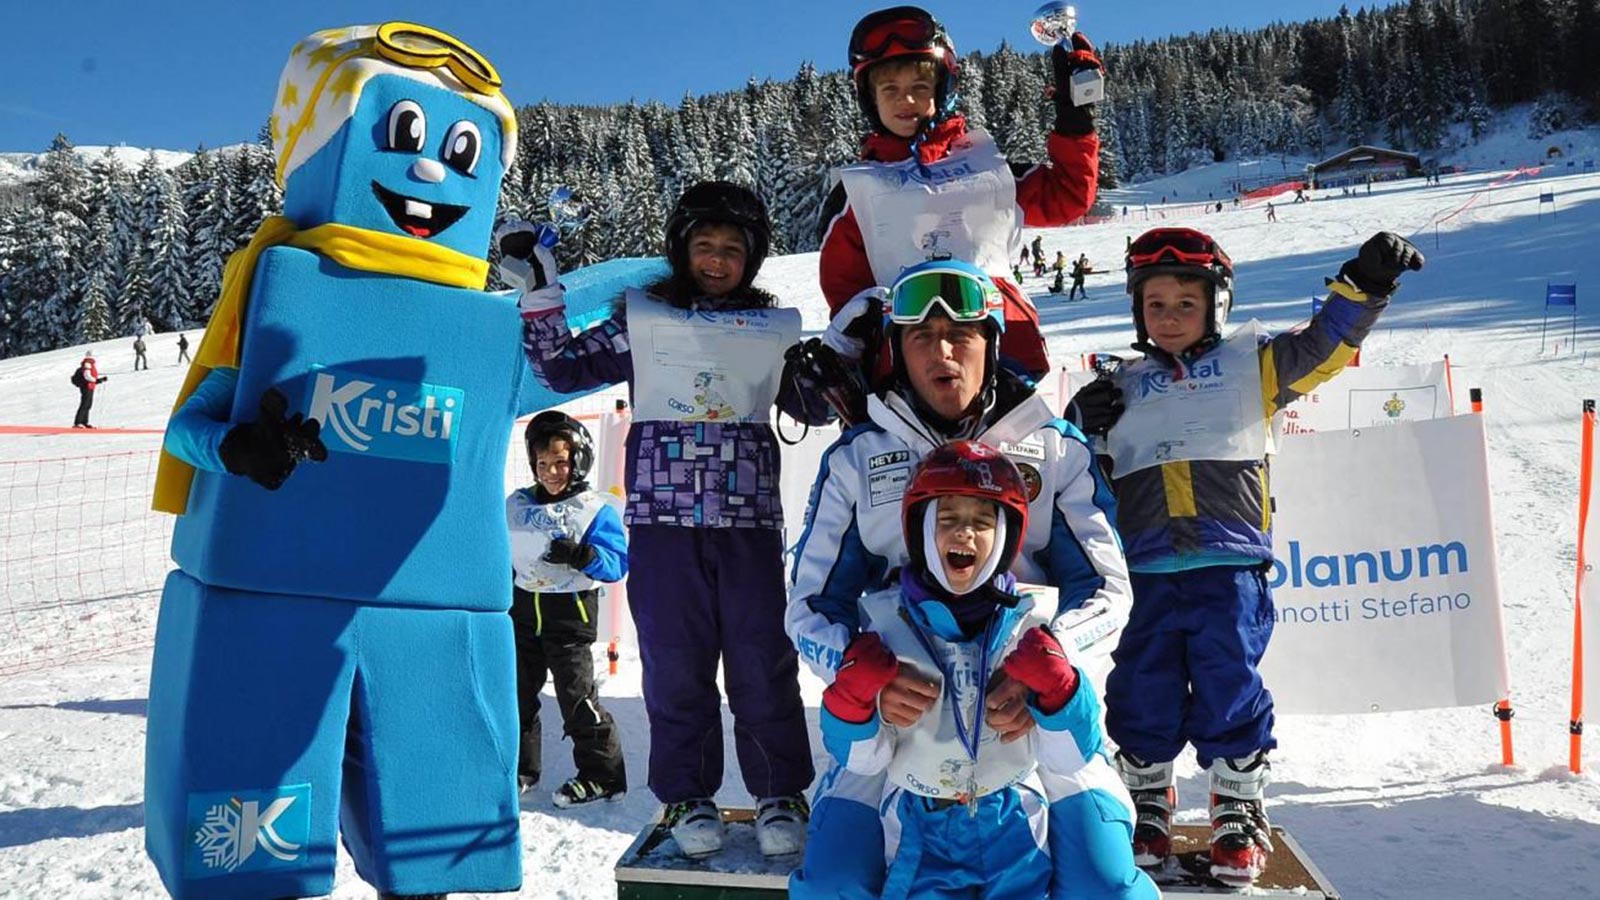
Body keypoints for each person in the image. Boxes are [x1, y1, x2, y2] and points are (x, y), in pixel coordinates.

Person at [787, 259, 1152, 899]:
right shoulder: (859, 456)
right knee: (833, 886)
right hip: (902, 725)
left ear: (991, 343)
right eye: (921, 337)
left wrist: (1053, 664)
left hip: (1033, 715)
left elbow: (1106, 589)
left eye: (961, 335)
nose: (943, 353)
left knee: (1105, 888)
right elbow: (811, 605)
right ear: (897, 351)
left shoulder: (1055, 448)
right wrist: (859, 671)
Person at [1078, 227, 1424, 887]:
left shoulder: (1252, 365)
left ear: (1218, 306)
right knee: (1140, 684)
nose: (1171, 317)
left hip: (1229, 567)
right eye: (1156, 304)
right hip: (1143, 569)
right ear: (1136, 312)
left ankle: (1236, 806)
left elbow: (1323, 348)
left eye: (1186, 303)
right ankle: (1145, 797)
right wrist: (1080, 418)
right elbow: (1081, 469)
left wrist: (1366, 285)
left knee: (1228, 681)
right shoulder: (1119, 386)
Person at [500, 181, 816, 859]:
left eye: (733, 249)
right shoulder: (645, 319)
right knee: (676, 664)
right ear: (681, 248)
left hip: (748, 521)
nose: (717, 259)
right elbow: (562, 368)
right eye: (705, 244)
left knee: (762, 661)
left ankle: (780, 792)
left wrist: (828, 361)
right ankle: (685, 796)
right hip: (663, 523)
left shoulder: (768, 329)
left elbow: (815, 405)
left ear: (752, 259)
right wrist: (540, 294)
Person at [819, 440, 1143, 900]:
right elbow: (861, 757)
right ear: (918, 530)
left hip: (1012, 814)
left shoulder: (1038, 624)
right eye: (946, 520)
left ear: (1009, 535)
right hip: (918, 817)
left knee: (1110, 888)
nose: (964, 535)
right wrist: (852, 700)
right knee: (831, 884)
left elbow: (1070, 755)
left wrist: (1059, 690)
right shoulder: (884, 623)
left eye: (982, 522)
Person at [817, 5, 1104, 390]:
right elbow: (845, 289)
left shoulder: (985, 166)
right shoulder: (859, 191)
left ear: (942, 89)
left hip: (1006, 357)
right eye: (891, 90)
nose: (906, 101)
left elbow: (1067, 197)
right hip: (908, 374)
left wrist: (1075, 121)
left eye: (920, 88)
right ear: (870, 99)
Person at [508, 411, 629, 807]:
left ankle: (602, 774)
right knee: (517, 695)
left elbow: (617, 563)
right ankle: (521, 769)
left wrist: (581, 555)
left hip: (569, 621)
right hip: (523, 616)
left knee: (576, 699)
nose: (552, 472)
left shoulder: (592, 509)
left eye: (560, 461)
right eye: (543, 463)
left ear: (578, 460)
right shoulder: (519, 505)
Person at [71, 352, 108, 428]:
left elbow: (90, 376)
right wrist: (96, 380)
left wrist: (98, 380)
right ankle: (78, 422)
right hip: (87, 387)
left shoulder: (89, 363)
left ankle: (84, 422)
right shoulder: (88, 363)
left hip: (89, 386)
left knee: (87, 404)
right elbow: (87, 376)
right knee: (85, 404)